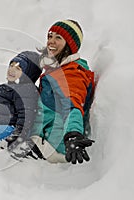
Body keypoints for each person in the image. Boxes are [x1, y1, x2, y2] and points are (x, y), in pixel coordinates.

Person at [19, 19, 95, 164]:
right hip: (44, 136)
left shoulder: (72, 72)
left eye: (58, 38)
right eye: (50, 36)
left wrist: (73, 135)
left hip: (53, 145)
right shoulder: (57, 69)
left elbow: (73, 105)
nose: (51, 41)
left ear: (70, 45)